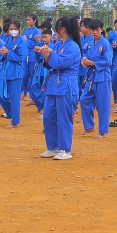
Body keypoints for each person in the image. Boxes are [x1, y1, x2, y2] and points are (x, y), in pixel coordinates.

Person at [37, 16, 81, 160]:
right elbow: (50, 63)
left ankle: (65, 149)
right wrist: (46, 54)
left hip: (66, 84)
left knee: (64, 118)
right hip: (54, 84)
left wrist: (49, 54)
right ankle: (53, 147)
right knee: (48, 116)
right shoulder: (57, 44)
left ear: (62, 29)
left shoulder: (73, 46)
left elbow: (60, 63)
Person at [79, 19, 114, 137]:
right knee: (84, 99)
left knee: (102, 104)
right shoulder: (90, 43)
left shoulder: (105, 43)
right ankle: (89, 126)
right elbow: (86, 54)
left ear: (101, 29)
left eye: (97, 30)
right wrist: (84, 60)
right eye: (92, 30)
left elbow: (108, 61)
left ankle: (103, 131)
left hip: (102, 76)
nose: (95, 32)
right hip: (91, 76)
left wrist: (92, 63)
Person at [0, 20, 29, 128]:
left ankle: (15, 121)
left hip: (16, 71)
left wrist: (8, 53)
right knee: (0, 95)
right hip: (6, 70)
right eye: (11, 29)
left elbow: (22, 57)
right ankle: (12, 114)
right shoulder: (8, 39)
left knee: (14, 96)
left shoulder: (23, 42)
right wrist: (3, 53)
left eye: (14, 29)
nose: (13, 31)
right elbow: (5, 53)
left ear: (19, 29)